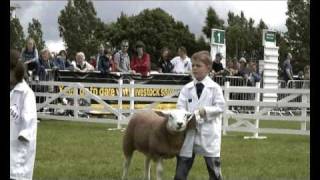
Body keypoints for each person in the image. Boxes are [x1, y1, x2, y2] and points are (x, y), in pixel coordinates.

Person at [174, 51, 225, 180]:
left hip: (209, 135)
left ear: (208, 68)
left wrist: (205, 111)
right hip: (189, 133)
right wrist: (186, 117)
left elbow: (221, 107)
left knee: (214, 172)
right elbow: (180, 108)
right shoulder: (186, 89)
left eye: (198, 66)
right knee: (180, 172)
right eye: (193, 65)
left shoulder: (215, 88)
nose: (194, 68)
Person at [10, 49, 38, 180]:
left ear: (14, 71)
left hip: (18, 156)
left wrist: (25, 133)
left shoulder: (26, 93)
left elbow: (29, 120)